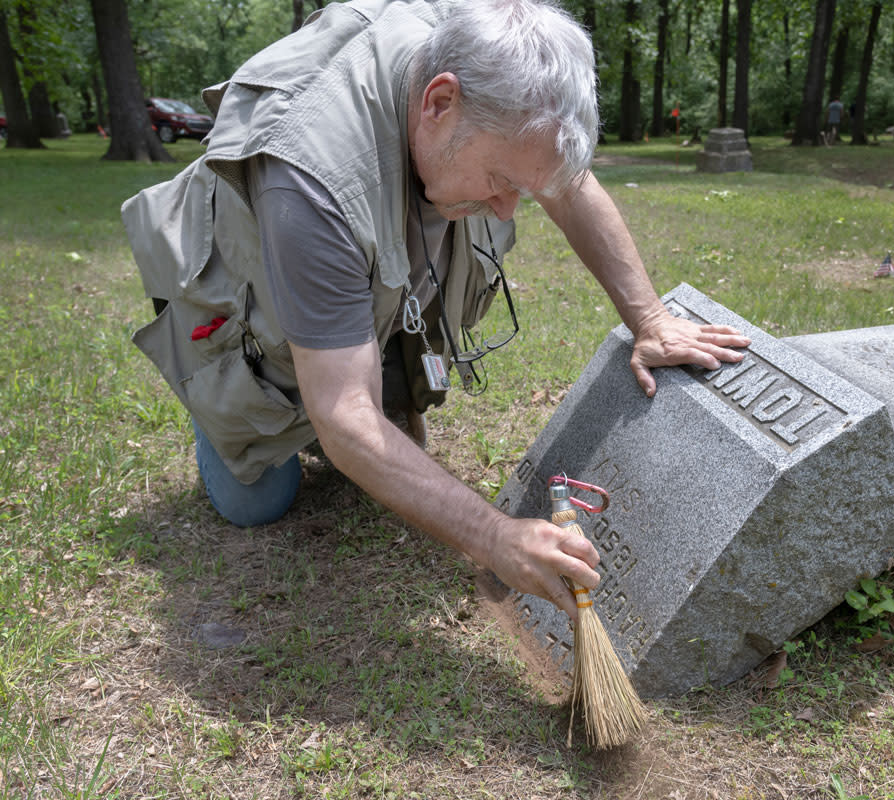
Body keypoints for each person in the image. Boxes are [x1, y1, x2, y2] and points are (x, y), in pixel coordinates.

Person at [121, 0, 748, 621]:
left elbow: (565, 181)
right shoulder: (309, 177)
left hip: (363, 254)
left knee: (387, 428)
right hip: (256, 286)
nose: (506, 211)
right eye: (501, 179)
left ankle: (354, 361)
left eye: (520, 189)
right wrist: (495, 537)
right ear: (439, 103)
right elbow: (345, 415)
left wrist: (650, 319)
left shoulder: (483, 57)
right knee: (258, 500)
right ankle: (233, 400)